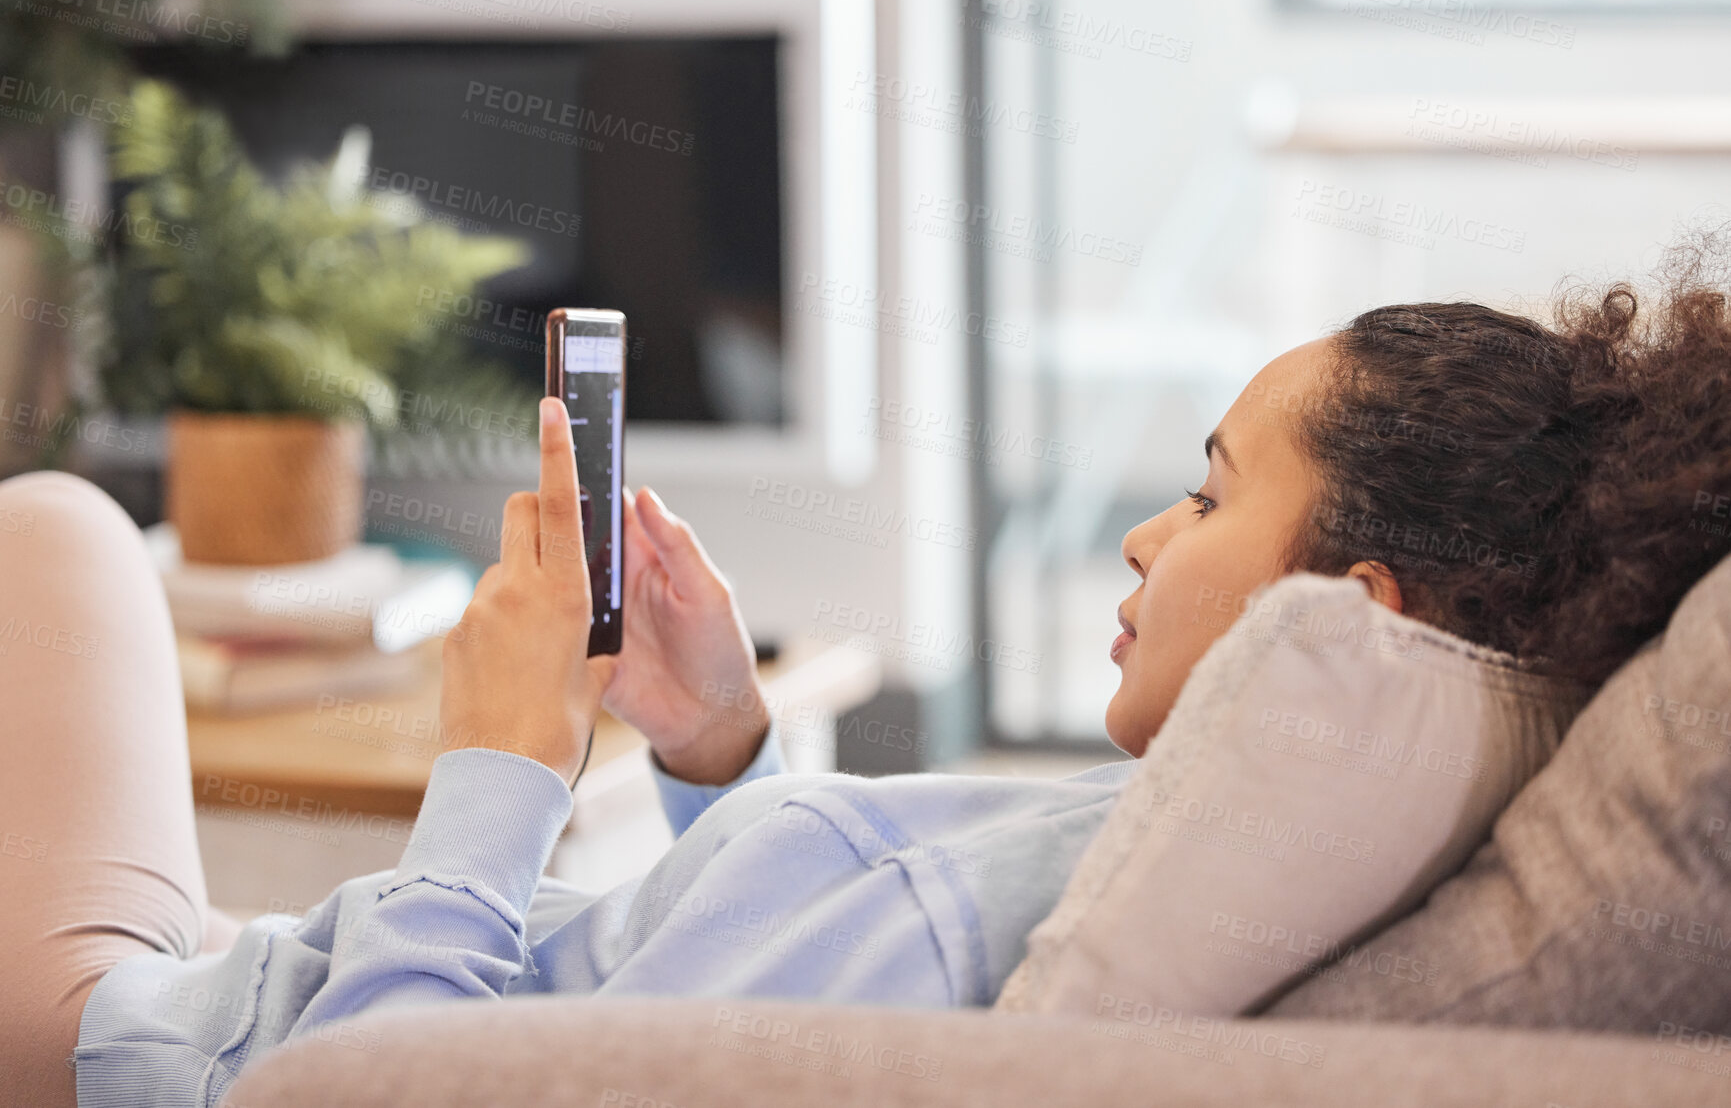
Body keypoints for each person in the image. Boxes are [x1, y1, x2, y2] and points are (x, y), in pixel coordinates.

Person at [4, 256, 1729, 1108]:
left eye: (1208, 492)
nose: (1143, 539)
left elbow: (387, 1083)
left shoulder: (1034, 892)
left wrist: (504, 760)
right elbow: (744, 1009)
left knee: (59, 527)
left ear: (1359, 609)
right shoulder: (1241, 839)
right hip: (250, 986)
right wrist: (723, 748)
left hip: (153, 1048)